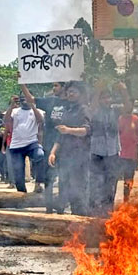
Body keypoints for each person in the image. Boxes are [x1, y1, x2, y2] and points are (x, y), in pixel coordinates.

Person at [22, 81, 70, 212]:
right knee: (49, 178)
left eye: (56, 86)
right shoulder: (50, 101)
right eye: (53, 86)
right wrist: (22, 84)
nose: (54, 88)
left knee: (64, 179)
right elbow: (31, 99)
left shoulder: (71, 103)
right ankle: (48, 207)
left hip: (66, 147)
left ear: (64, 87)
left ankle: (61, 207)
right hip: (49, 146)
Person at [48, 82, 91, 216]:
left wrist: (69, 130)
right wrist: (53, 152)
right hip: (65, 156)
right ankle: (66, 222)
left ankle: (80, 220)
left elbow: (86, 130)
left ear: (80, 94)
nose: (70, 94)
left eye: (74, 92)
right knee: (64, 187)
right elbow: (60, 134)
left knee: (78, 190)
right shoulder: (66, 110)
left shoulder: (84, 109)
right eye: (69, 92)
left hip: (80, 156)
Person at [89, 82, 128, 217]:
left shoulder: (115, 110)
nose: (107, 100)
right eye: (104, 97)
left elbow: (128, 108)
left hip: (112, 152)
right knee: (96, 183)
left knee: (111, 184)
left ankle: (108, 212)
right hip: (96, 153)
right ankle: (94, 212)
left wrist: (124, 91)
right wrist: (98, 89)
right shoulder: (94, 110)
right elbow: (91, 108)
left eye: (109, 97)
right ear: (99, 99)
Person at [5, 94, 45, 194]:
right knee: (18, 172)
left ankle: (38, 184)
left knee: (40, 155)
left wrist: (33, 106)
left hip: (31, 143)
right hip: (16, 145)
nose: (24, 101)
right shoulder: (15, 111)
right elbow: (6, 120)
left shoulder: (37, 111)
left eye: (26, 99)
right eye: (21, 100)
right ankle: (22, 195)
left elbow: (41, 121)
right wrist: (11, 105)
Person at [118, 98, 138, 203]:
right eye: (126, 104)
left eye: (130, 105)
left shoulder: (137, 120)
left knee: (128, 179)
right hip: (119, 154)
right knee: (115, 179)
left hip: (131, 155)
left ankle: (126, 200)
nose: (128, 107)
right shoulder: (119, 119)